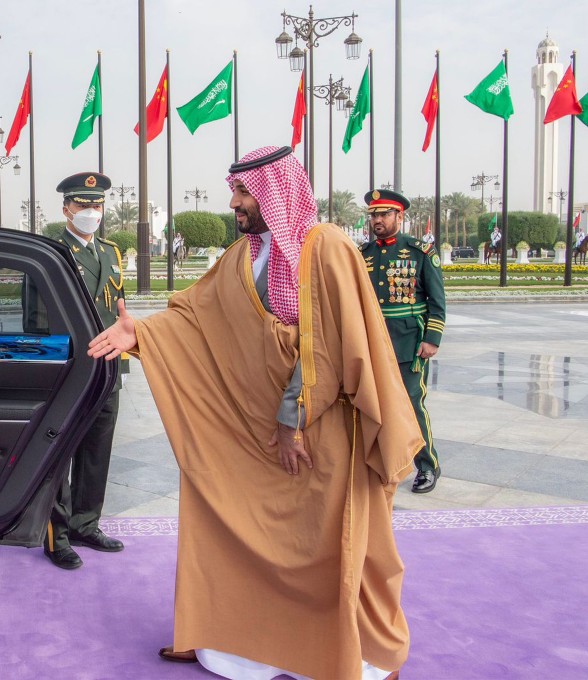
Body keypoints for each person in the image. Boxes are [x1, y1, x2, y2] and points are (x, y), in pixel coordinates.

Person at [88, 146, 424, 680]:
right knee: (228, 511)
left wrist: (293, 420)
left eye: (244, 191)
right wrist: (143, 332)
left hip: (322, 433)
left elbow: (331, 344)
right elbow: (198, 317)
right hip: (261, 430)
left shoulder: (326, 248)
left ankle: (345, 655)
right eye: (235, 190)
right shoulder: (242, 256)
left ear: (274, 192)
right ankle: (242, 643)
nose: (234, 202)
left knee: (325, 544)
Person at [43, 172, 126, 570]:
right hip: (71, 369)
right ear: (66, 208)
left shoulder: (110, 252)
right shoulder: (52, 251)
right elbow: (38, 315)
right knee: (61, 454)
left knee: (97, 450)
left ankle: (85, 524)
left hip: (107, 368)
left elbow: (118, 309)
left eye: (97, 205)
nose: (91, 212)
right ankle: (56, 536)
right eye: (82, 204)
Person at [361, 189, 447, 493]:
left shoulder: (419, 251)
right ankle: (382, 461)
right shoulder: (364, 254)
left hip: (409, 342)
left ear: (400, 216)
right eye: (374, 215)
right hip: (372, 343)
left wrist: (432, 338)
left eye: (384, 214)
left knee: (411, 405)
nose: (378, 220)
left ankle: (427, 466)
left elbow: (437, 300)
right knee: (372, 405)